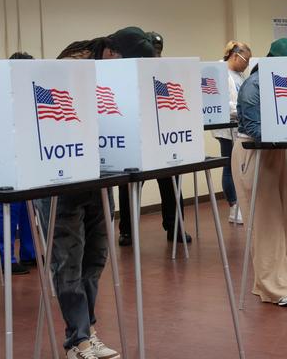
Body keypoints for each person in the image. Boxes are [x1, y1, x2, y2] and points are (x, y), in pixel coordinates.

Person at [37, 27, 157, 359]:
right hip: (59, 180)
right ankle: (77, 342)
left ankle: (87, 331)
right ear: (111, 54)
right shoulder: (71, 68)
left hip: (97, 177)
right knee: (69, 261)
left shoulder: (106, 69)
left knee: (95, 258)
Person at [234, 38, 287, 307]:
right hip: (254, 152)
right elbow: (254, 127)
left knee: (282, 219)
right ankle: (277, 289)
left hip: (275, 152)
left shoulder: (279, 81)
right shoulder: (256, 84)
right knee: (266, 224)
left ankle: (266, 283)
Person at [116, 30, 190, 247]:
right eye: (153, 50)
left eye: (159, 51)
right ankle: (127, 230)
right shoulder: (128, 72)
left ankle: (175, 226)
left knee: (172, 183)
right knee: (129, 185)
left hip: (162, 136)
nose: (156, 55)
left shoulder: (166, 72)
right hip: (136, 136)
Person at [0, 51, 37, 276]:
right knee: (10, 210)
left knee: (29, 209)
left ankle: (29, 253)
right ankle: (6, 258)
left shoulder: (28, 95)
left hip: (28, 160)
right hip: (9, 162)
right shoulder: (5, 97)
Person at [213, 40, 252, 224]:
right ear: (235, 55)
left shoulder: (239, 75)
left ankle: (243, 205)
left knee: (240, 167)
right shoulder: (220, 73)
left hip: (239, 125)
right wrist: (242, 108)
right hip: (226, 127)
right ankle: (234, 207)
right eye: (246, 59)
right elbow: (220, 102)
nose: (248, 63)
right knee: (229, 167)